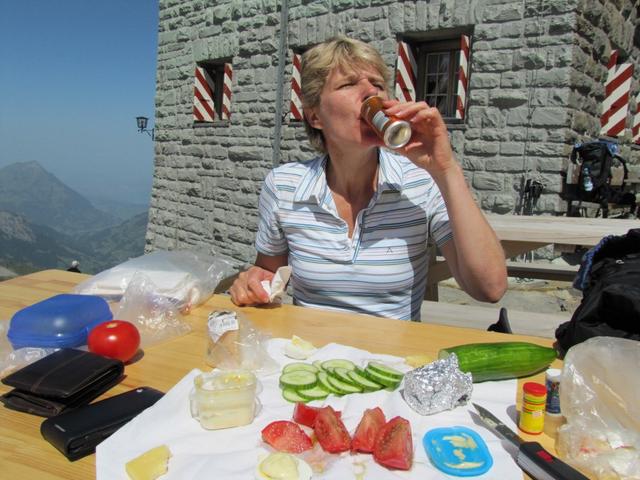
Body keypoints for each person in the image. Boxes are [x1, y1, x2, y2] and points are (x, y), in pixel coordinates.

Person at [230, 36, 507, 320]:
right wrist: (252, 284)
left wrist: (446, 169)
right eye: (349, 84)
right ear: (315, 116)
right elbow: (269, 275)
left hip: (390, 358)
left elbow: (490, 288)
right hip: (310, 355)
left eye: (377, 84)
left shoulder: (420, 182)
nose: (370, 93)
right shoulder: (284, 185)